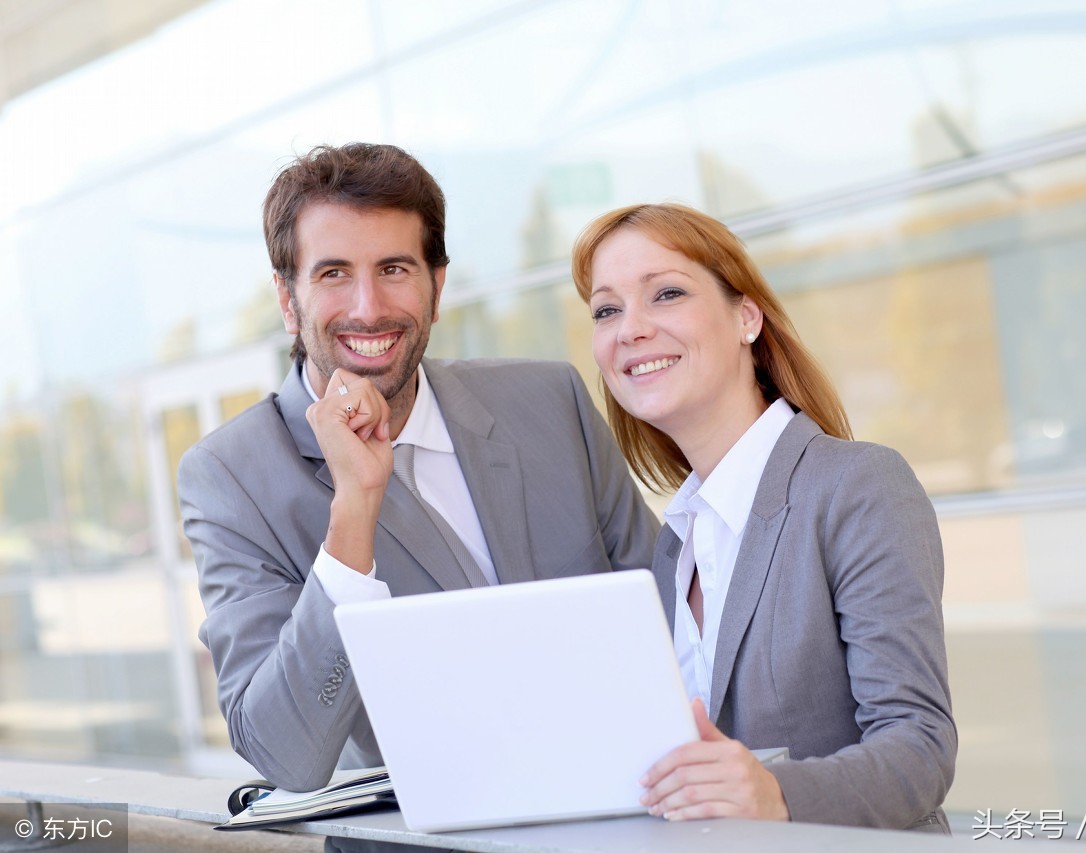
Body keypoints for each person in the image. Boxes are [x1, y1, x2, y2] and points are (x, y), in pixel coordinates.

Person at [179, 143, 658, 795]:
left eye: (394, 268)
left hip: (628, 809)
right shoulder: (231, 478)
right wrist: (355, 510)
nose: (369, 306)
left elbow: (669, 619)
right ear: (288, 302)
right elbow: (284, 754)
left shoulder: (550, 400)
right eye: (333, 273)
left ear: (436, 286)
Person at [571, 203, 956, 832]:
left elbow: (920, 747)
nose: (629, 329)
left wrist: (773, 792)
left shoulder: (856, 486)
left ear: (746, 317)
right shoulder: (676, 540)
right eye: (606, 310)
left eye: (666, 294)